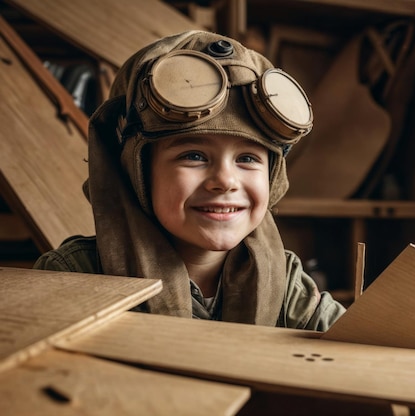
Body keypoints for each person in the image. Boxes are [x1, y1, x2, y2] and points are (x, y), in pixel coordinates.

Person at [33, 30, 345, 331]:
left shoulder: (287, 282)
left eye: (247, 159)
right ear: (135, 169)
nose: (225, 181)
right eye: (193, 156)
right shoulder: (74, 276)